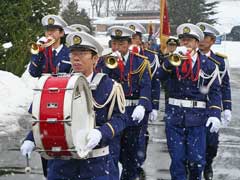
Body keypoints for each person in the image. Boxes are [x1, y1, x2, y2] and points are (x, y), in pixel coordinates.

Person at [21, 31, 128, 180]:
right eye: (73, 53)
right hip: (62, 164)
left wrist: (101, 133)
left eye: (83, 53)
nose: (76, 58)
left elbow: (120, 118)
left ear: (95, 59)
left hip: (96, 164)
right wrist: (31, 138)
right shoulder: (57, 83)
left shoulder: (109, 86)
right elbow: (45, 116)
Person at [158, 23, 222, 180]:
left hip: (197, 117)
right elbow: (159, 77)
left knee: (196, 161)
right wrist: (170, 62)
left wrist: (215, 113)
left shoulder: (208, 65)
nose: (185, 43)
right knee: (177, 160)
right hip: (175, 116)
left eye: (189, 40)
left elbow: (214, 91)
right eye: (183, 40)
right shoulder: (172, 61)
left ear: (196, 43)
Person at [96, 25, 152, 180]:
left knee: (131, 158)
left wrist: (142, 104)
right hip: (113, 113)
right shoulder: (104, 61)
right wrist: (108, 63)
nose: (117, 47)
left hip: (133, 112)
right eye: (114, 43)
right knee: (111, 155)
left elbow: (146, 85)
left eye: (121, 44)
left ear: (128, 44)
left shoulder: (140, 62)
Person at [27, 14, 71, 177]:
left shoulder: (69, 52)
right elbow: (33, 72)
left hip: (63, 101)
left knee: (61, 136)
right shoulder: (42, 51)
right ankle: (48, 173)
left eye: (53, 32)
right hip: (43, 101)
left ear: (61, 33)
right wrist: (38, 52)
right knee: (43, 138)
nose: (49, 35)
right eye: (47, 32)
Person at [124, 22, 161, 177]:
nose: (133, 40)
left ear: (140, 39)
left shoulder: (150, 57)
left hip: (140, 104)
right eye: (130, 37)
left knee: (138, 136)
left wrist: (153, 106)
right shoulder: (115, 55)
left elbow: (154, 83)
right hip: (121, 105)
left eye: (135, 37)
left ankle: (138, 160)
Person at [196, 22, 232, 180]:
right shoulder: (188, 58)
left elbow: (225, 86)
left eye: (206, 38)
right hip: (193, 107)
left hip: (212, 107)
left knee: (211, 142)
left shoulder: (220, 61)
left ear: (212, 41)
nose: (202, 41)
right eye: (200, 38)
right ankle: (194, 167)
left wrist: (227, 108)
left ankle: (208, 162)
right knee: (192, 143)